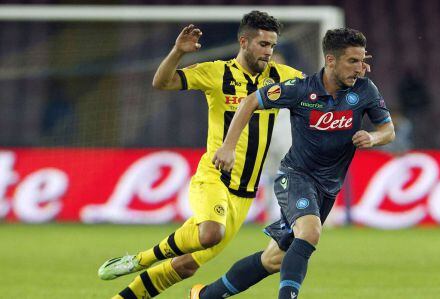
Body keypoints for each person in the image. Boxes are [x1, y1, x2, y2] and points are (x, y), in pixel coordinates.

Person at [97, 11, 304, 299]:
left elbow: (320, 87)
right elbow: (162, 82)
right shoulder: (216, 72)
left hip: (244, 193)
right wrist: (177, 52)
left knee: (185, 266)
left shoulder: (282, 76)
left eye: (272, 46)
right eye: (263, 44)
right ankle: (140, 259)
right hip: (215, 178)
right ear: (244, 42)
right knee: (209, 234)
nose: (269, 52)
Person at [191, 28, 395, 299]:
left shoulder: (365, 90)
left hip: (328, 188)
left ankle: (205, 295)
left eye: (362, 61)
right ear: (331, 61)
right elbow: (251, 100)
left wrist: (373, 136)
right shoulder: (301, 89)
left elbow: (388, 130)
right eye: (353, 61)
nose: (361, 69)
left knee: (273, 259)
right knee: (310, 232)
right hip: (296, 177)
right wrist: (228, 145)